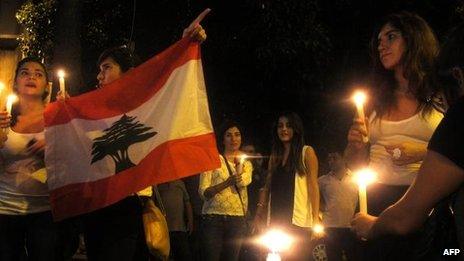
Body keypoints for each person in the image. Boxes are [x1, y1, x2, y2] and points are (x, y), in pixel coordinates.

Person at [58, 11, 209, 260]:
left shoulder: (146, 105)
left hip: (135, 206)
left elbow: (168, 81)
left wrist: (185, 44)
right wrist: (65, 119)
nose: (99, 75)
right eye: (99, 69)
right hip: (101, 207)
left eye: (106, 68)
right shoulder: (88, 111)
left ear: (128, 72)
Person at [351, 23, 464, 259]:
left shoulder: (443, 93)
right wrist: (355, 146)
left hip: (427, 201)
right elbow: (354, 163)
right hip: (376, 198)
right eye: (379, 40)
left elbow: (457, 146)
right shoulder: (373, 101)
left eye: (390, 36)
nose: (381, 44)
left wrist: (423, 152)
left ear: (413, 39)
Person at [0, 57, 76, 260]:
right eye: (24, 72)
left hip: (45, 211)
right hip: (5, 210)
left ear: (46, 86)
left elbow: (76, 160)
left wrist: (53, 148)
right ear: (15, 82)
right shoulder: (2, 117)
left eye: (38, 73)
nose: (31, 76)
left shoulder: (58, 117)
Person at [254, 111, 320, 260]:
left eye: (288, 126)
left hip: (298, 220)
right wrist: (259, 214)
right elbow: (267, 187)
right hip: (276, 219)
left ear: (296, 129)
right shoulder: (275, 155)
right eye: (280, 126)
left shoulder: (307, 152)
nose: (283, 129)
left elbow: (313, 187)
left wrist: (315, 219)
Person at [198, 121, 253, 261]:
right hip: (213, 218)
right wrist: (225, 183)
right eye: (229, 135)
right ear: (222, 139)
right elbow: (203, 192)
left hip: (237, 219)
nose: (234, 139)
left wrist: (238, 170)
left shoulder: (246, 163)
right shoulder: (212, 160)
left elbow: (244, 181)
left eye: (237, 135)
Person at [157, 180, 194, 261]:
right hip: (165, 230)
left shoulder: (180, 183)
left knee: (184, 255)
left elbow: (187, 203)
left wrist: (190, 221)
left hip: (180, 228)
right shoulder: (158, 186)